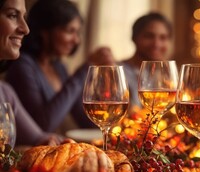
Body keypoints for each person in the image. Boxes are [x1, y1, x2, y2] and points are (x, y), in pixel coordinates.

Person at [6, 0, 115, 133]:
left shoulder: (58, 67)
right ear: (44, 31)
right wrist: (87, 68)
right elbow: (43, 125)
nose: (76, 40)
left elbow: (87, 121)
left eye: (77, 32)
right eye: (70, 31)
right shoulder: (22, 65)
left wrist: (105, 83)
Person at [0, 0, 61, 146]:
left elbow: (41, 140)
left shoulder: (5, 92)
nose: (25, 29)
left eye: (24, 17)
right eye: (13, 15)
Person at [121, 12, 173, 107]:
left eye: (163, 37)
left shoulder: (172, 77)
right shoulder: (117, 72)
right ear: (134, 38)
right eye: (149, 36)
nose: (156, 44)